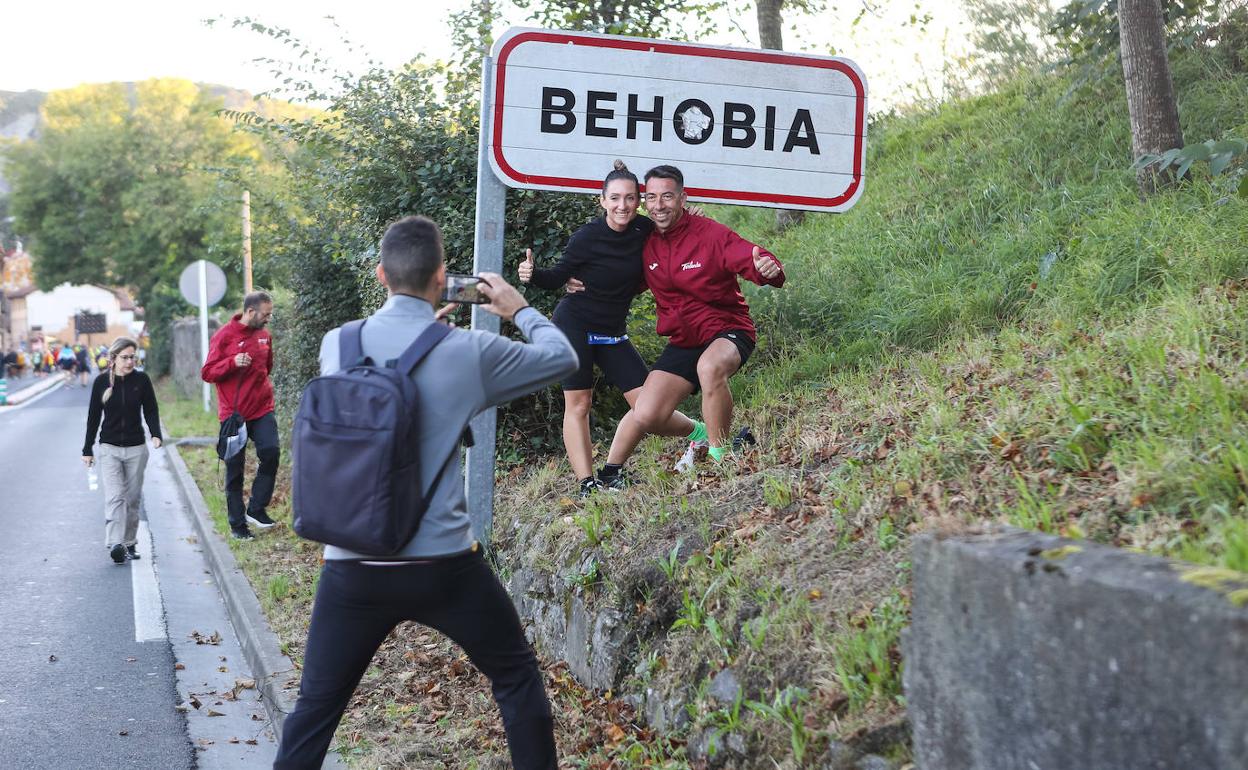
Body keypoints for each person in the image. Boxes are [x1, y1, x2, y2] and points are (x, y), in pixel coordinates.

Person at [273, 215, 576, 770]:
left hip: (351, 566)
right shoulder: (468, 351)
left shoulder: (337, 344)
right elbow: (564, 359)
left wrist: (426, 338)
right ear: (442, 278)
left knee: (314, 709)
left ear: (381, 275)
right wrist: (518, 309)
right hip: (443, 568)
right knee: (514, 678)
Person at [519, 160, 703, 497]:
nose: (622, 205)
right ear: (602, 200)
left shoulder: (644, 230)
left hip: (612, 330)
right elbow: (557, 277)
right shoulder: (586, 237)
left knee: (646, 407)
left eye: (630, 198)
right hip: (574, 325)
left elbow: (674, 235)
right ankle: (587, 484)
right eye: (615, 198)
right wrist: (532, 274)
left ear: (638, 201)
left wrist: (693, 219)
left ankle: (700, 435)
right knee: (579, 404)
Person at [597, 164, 785, 486]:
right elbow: (620, 277)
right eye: (652, 197)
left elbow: (750, 256)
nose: (659, 205)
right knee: (647, 414)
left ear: (683, 199)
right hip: (684, 340)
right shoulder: (645, 242)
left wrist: (768, 269)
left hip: (727, 329)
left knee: (709, 367)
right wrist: (581, 282)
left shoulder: (709, 233)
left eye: (667, 196)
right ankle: (702, 434)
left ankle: (721, 458)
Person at [201, 291, 279, 539]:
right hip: (233, 415)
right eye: (265, 314)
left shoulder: (264, 336)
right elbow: (207, 372)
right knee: (235, 470)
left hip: (262, 409)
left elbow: (267, 368)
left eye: (270, 314)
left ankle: (256, 508)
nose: (268, 319)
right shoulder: (224, 336)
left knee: (271, 453)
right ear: (250, 311)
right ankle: (238, 526)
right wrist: (232, 362)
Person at [82, 337, 163, 564]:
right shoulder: (101, 382)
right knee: (115, 496)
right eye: (125, 357)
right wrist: (87, 448)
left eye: (132, 357)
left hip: (136, 448)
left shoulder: (141, 380)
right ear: (114, 358)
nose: (129, 362)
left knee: (132, 498)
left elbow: (151, 409)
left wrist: (156, 434)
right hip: (109, 448)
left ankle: (129, 542)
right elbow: (93, 417)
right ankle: (115, 543)